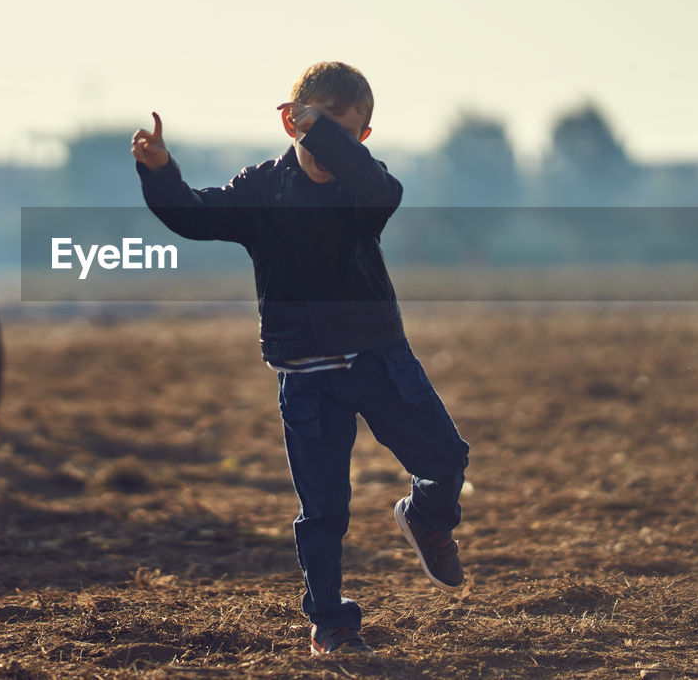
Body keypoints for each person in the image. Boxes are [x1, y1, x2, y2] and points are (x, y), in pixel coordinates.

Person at [131, 62, 470, 656]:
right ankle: (332, 622)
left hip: (378, 358)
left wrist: (324, 135)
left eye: (342, 133)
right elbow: (193, 214)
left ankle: (426, 518)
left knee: (447, 458)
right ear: (289, 122)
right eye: (314, 126)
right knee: (323, 512)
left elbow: (382, 190)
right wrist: (159, 173)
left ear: (361, 140)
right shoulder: (260, 190)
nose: (325, 144)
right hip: (307, 377)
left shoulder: (364, 189)